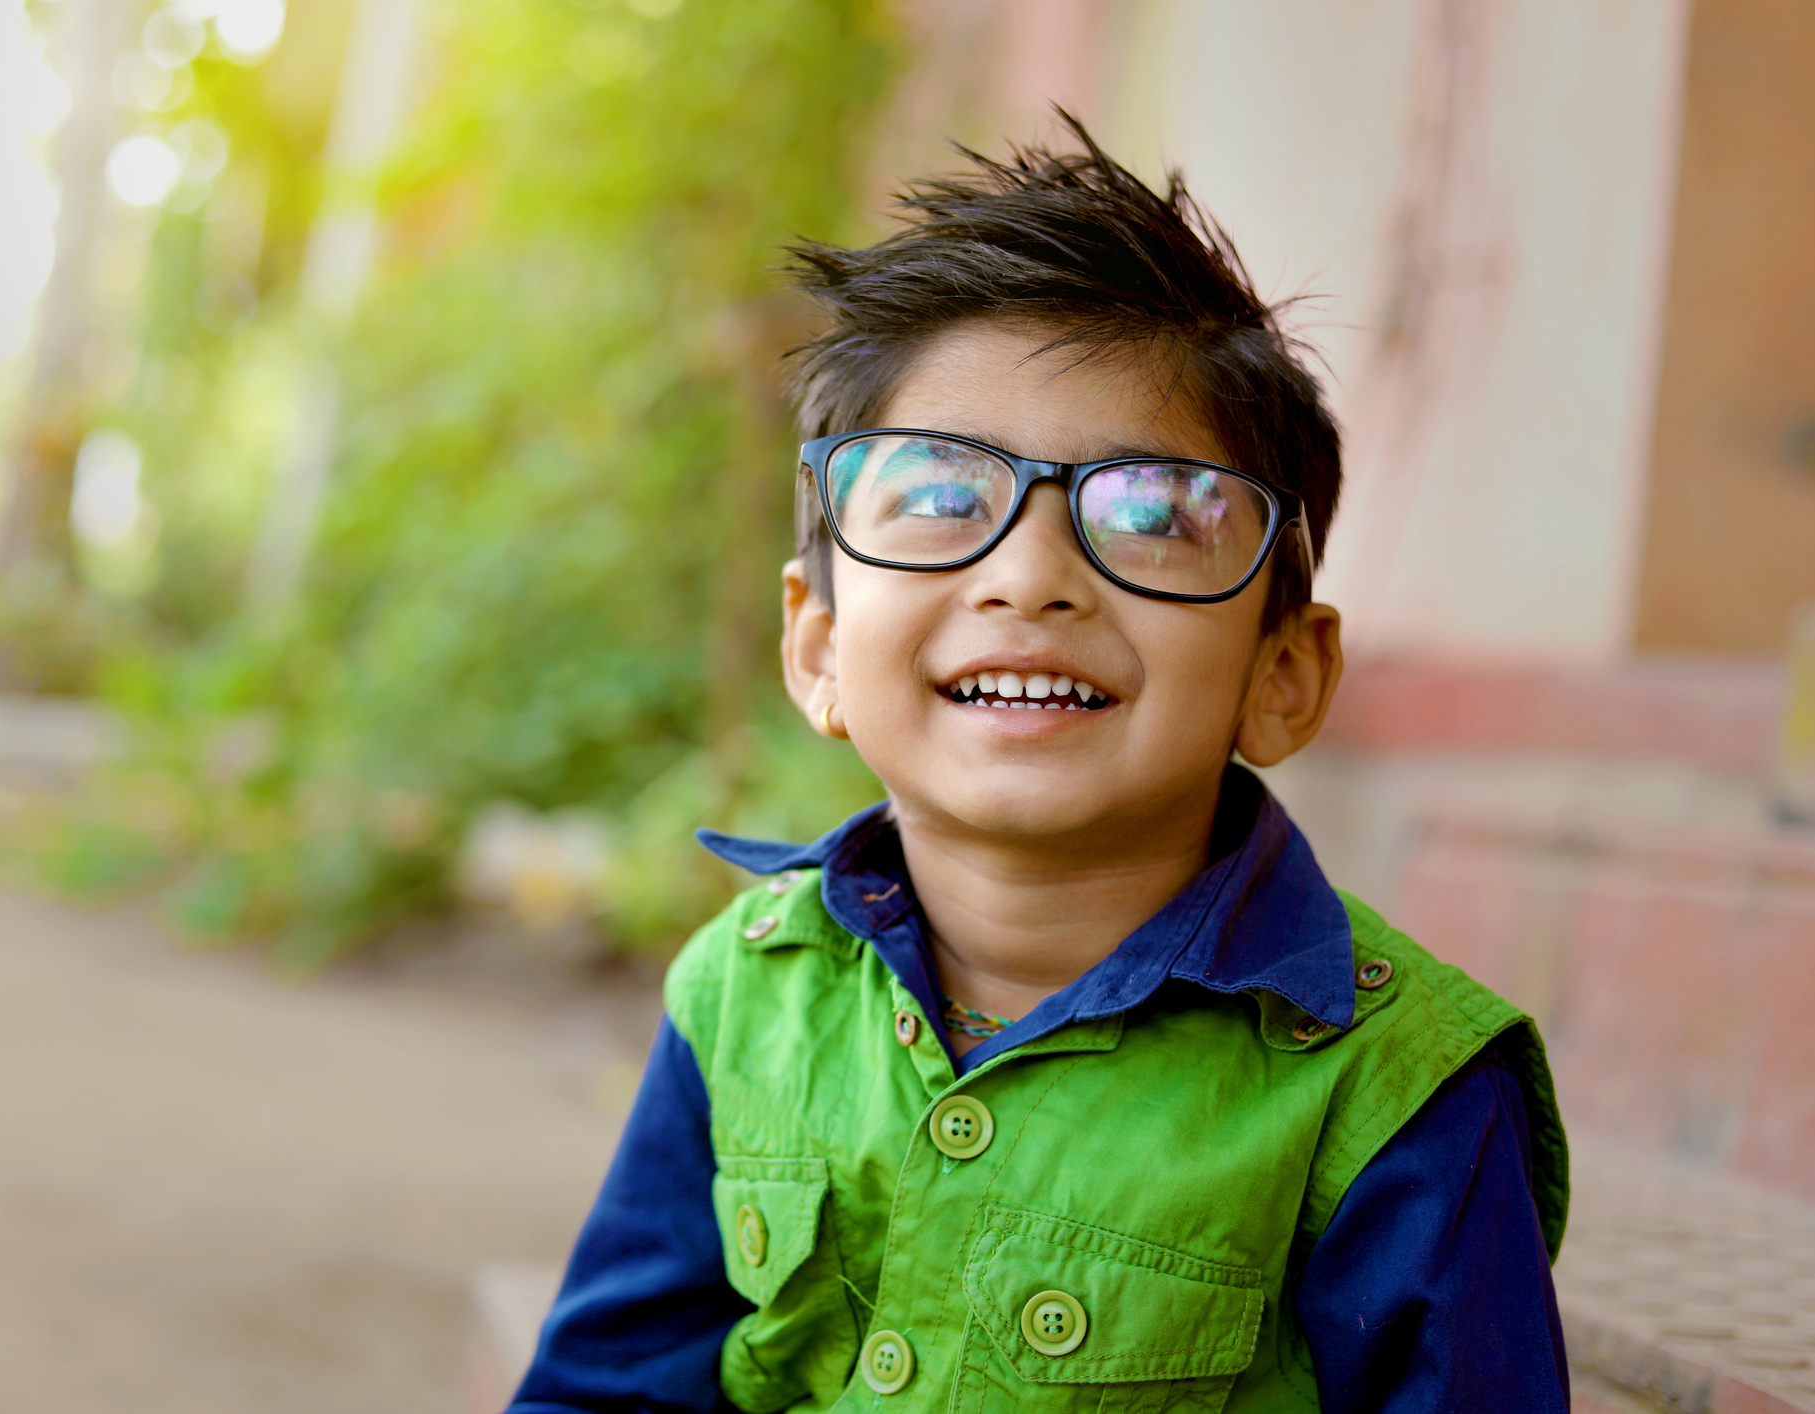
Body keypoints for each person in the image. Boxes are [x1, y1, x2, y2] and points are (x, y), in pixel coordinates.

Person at [509, 117, 1568, 1413]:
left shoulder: (1402, 1097)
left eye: (1151, 511)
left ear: (1280, 672)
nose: (1028, 577)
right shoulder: (741, 994)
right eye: (943, 496)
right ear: (820, 643)